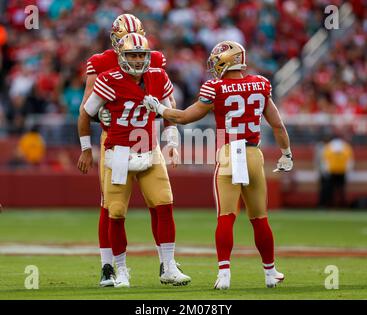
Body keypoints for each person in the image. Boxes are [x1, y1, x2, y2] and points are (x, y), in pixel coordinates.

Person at [142, 40, 294, 289]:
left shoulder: (216, 87)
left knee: (226, 216)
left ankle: (224, 275)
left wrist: (159, 108)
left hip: (228, 153)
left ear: (227, 60)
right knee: (259, 218)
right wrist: (286, 153)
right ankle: (270, 273)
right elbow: (277, 125)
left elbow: (184, 117)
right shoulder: (261, 84)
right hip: (254, 154)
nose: (213, 65)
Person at [77, 33, 191, 288]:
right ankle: (121, 270)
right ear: (122, 56)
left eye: (141, 55)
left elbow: (169, 110)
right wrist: (86, 147)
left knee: (164, 203)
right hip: (118, 153)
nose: (138, 60)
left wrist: (172, 142)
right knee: (116, 213)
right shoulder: (108, 79)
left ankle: (170, 267)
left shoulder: (158, 75)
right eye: (133, 55)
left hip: (149, 149)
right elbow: (86, 113)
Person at [321, 135, 354, 208]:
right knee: (341, 190)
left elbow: (325, 160)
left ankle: (330, 204)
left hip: (332, 170)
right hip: (342, 170)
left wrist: (325, 171)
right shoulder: (346, 147)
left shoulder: (328, 147)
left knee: (330, 189)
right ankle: (342, 205)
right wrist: (348, 171)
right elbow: (350, 161)